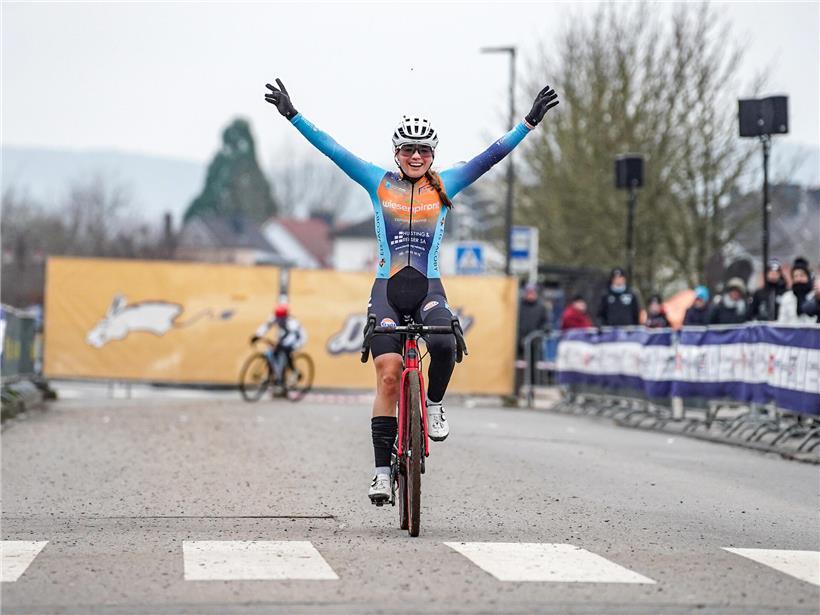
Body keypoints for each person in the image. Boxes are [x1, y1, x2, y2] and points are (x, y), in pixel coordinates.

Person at [264, 77, 559, 504]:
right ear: (396, 153)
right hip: (387, 290)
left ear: (433, 154)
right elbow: (333, 149)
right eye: (408, 149)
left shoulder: (447, 184)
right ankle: (381, 472)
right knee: (388, 376)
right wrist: (293, 115)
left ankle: (434, 404)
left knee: (444, 342)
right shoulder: (377, 181)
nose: (416, 156)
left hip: (428, 288)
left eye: (423, 150)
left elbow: (491, 156)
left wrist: (528, 124)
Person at [250, 304, 307, 386]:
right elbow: (266, 326)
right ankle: (271, 375)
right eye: (278, 317)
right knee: (272, 352)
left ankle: (294, 371)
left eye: (281, 317)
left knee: (286, 351)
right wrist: (258, 335)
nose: (279, 319)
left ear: (285, 316)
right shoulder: (275, 317)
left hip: (297, 339)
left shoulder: (292, 322)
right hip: (284, 336)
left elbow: (292, 336)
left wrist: (281, 344)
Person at [778, 257, 816, 324]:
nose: (799, 279)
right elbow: (782, 322)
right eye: (796, 276)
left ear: (808, 277)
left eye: (802, 275)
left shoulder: (815, 297)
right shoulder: (787, 297)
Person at [517, 283, 549, 357]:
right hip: (519, 344)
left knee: (535, 361)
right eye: (528, 292)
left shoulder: (541, 307)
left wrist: (545, 329)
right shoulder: (518, 306)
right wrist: (520, 338)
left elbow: (545, 322)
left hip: (534, 343)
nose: (530, 295)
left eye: (532, 292)